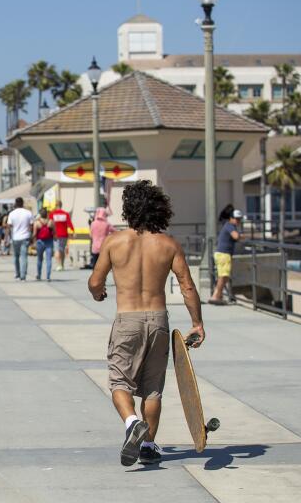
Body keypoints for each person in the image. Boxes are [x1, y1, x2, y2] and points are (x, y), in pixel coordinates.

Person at [88, 180, 204, 467]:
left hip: (127, 319)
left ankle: (132, 424)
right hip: (158, 321)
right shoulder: (169, 244)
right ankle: (149, 445)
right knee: (153, 388)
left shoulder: (115, 241)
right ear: (158, 209)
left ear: (129, 210)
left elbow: (94, 282)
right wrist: (197, 323)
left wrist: (99, 293)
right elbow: (187, 286)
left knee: (119, 381)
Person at [209, 209, 243, 305]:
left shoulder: (230, 226)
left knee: (223, 276)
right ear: (231, 218)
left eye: (239, 219)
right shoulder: (230, 226)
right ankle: (216, 296)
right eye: (236, 219)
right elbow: (236, 236)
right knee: (223, 276)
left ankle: (218, 296)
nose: (238, 221)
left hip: (222, 254)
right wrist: (243, 236)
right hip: (224, 254)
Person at [6, 198, 33, 281]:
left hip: (15, 237)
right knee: (24, 256)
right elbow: (31, 226)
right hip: (25, 237)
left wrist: (6, 238)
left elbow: (8, 226)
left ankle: (17, 274)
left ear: (15, 204)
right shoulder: (28, 213)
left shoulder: (12, 214)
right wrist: (31, 235)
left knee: (16, 256)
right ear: (22, 203)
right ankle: (23, 275)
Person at [50, 200, 75, 271]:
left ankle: (59, 265)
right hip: (64, 234)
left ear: (56, 205)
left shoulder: (52, 214)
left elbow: (50, 224)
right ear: (61, 205)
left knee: (57, 250)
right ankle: (63, 265)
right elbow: (70, 224)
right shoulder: (65, 214)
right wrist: (73, 231)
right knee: (62, 249)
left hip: (55, 234)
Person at [32, 208, 55, 281]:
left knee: (39, 259)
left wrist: (33, 242)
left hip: (40, 242)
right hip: (49, 241)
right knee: (49, 259)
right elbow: (54, 232)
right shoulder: (51, 221)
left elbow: (35, 234)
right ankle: (48, 276)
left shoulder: (37, 222)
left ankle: (39, 275)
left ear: (40, 214)